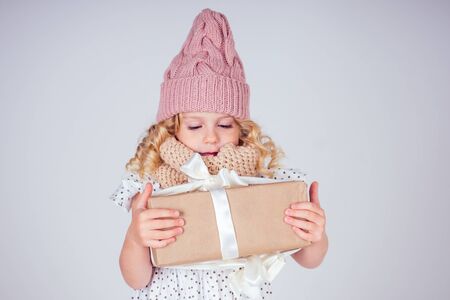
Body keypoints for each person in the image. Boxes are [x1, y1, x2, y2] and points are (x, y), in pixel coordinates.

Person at [110, 8, 328, 300]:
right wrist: (136, 239)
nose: (211, 136)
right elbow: (136, 279)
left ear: (242, 127)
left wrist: (314, 234)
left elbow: (309, 259)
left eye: (225, 124)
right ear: (172, 128)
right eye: (195, 125)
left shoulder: (262, 182)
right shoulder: (153, 187)